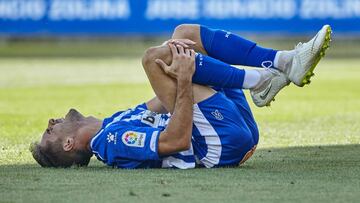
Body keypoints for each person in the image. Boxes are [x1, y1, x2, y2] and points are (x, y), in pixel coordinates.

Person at [30, 24, 332, 169]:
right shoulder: (111, 144)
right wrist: (182, 77)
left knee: (183, 35)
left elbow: (164, 98)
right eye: (49, 131)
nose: (51, 121)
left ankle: (279, 62)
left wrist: (174, 53)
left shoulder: (114, 122)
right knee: (153, 59)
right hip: (218, 145)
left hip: (230, 129)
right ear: (69, 145)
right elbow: (175, 141)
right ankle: (264, 80)